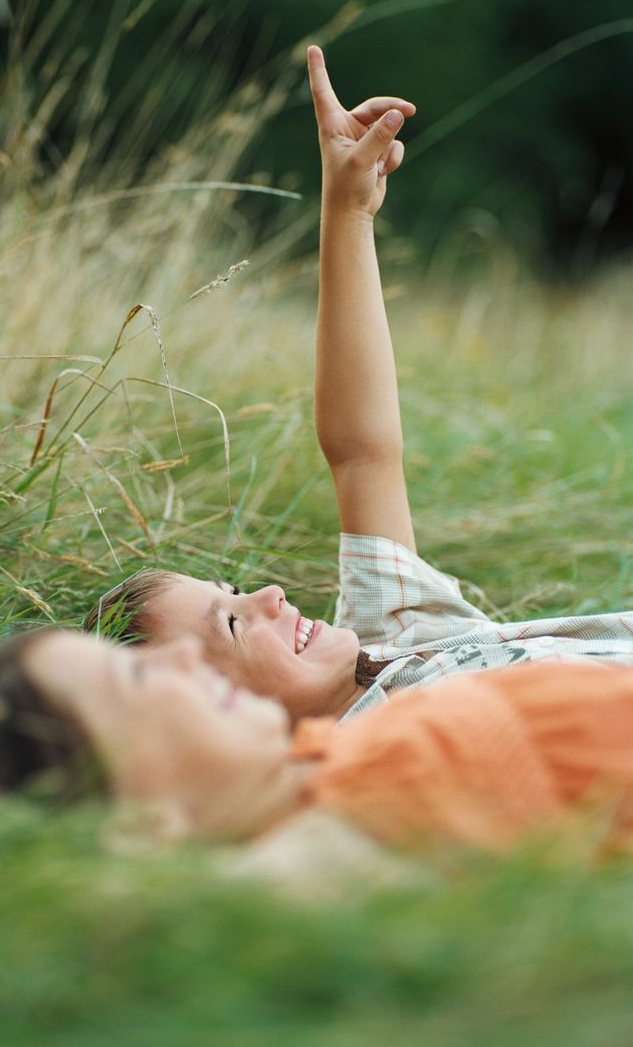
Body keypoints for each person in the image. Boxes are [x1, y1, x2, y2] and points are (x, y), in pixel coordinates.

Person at [84, 46, 633, 724]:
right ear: (219, 711)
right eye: (232, 622)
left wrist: (347, 210)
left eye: (234, 588)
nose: (272, 593)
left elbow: (361, 453)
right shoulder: (375, 749)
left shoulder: (394, 640)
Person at [0, 628, 633, 859]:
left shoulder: (339, 754)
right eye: (135, 675)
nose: (180, 655)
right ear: (139, 821)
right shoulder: (348, 828)